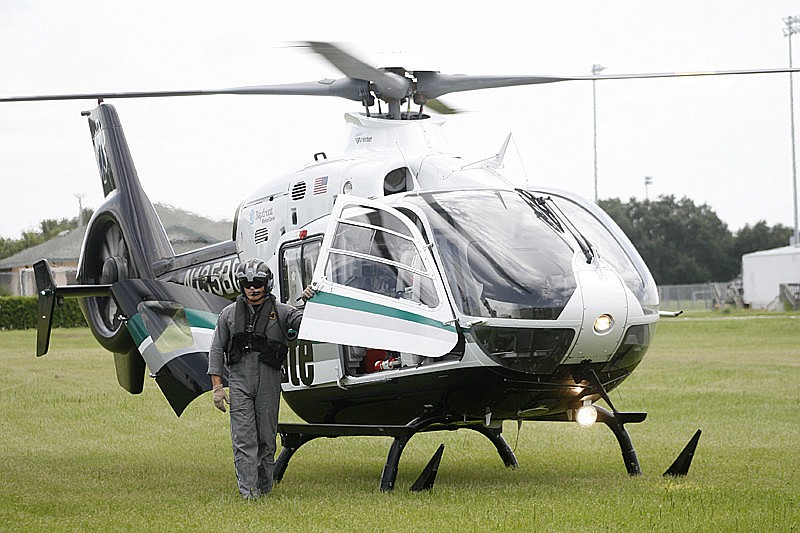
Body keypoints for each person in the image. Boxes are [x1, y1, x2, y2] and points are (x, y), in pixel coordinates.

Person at [207, 258, 312, 499]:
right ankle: (248, 493)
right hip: (240, 384)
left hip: (269, 384)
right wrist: (217, 387)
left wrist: (311, 302)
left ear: (267, 285)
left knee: (266, 439)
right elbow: (216, 349)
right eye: (247, 283)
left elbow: (307, 323)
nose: (253, 288)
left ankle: (265, 489)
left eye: (258, 283)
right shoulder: (229, 315)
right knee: (244, 440)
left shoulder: (284, 313)